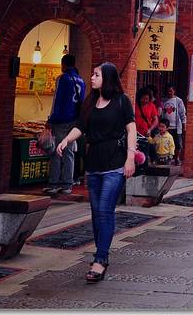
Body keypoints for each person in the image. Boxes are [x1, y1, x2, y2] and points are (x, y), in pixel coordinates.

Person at [56, 62, 136, 283]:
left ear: (107, 78)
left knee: (104, 210)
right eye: (92, 74)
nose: (92, 78)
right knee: (95, 213)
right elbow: (80, 126)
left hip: (115, 164)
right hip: (93, 165)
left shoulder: (122, 101)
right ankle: (101, 254)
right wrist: (66, 140)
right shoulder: (90, 101)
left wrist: (130, 157)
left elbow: (131, 128)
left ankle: (100, 259)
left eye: (96, 74)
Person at [44, 54, 86, 196]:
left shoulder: (62, 79)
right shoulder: (81, 80)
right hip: (74, 121)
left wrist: (51, 119)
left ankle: (53, 184)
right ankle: (67, 184)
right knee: (69, 152)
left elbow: (57, 100)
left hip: (61, 120)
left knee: (56, 151)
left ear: (64, 64)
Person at [162, 85, 186, 165]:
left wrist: (184, 126)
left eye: (171, 91)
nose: (169, 93)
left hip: (176, 126)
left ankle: (177, 158)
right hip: (166, 127)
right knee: (166, 143)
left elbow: (182, 114)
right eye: (168, 91)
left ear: (174, 91)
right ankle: (168, 158)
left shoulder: (178, 101)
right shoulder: (163, 101)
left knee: (178, 144)